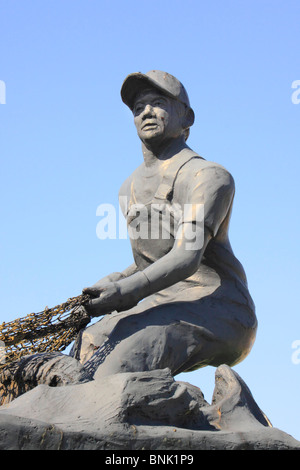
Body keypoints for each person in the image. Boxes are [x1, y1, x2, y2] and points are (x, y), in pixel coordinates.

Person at [75, 70, 257, 380]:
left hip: (218, 305)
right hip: (163, 300)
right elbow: (155, 260)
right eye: (137, 108)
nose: (146, 112)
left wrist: (124, 290)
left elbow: (186, 257)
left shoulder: (209, 176)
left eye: (158, 102)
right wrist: (118, 278)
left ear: (187, 117)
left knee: (120, 362)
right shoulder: (127, 189)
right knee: (87, 344)